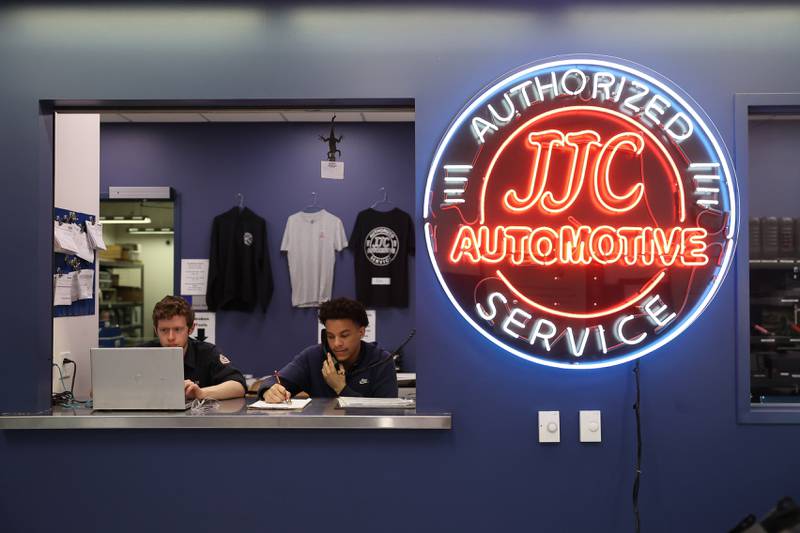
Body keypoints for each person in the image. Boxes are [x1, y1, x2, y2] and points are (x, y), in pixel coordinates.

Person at [259, 297, 398, 403]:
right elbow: (273, 381)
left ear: (361, 332)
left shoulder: (382, 360)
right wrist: (269, 390)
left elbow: (386, 412)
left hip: (368, 438)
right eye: (331, 336)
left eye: (344, 335)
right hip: (320, 436)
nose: (337, 343)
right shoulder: (313, 356)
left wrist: (341, 388)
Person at [144, 295, 246, 400]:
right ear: (156, 331)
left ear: (191, 329)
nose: (171, 337)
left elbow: (238, 386)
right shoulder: (141, 355)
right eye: (164, 330)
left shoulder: (207, 353)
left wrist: (201, 393)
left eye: (177, 329)